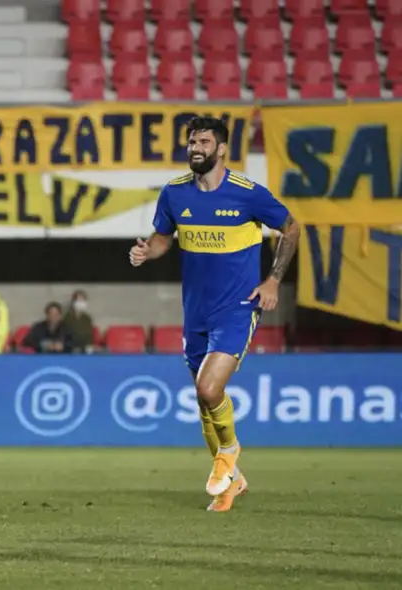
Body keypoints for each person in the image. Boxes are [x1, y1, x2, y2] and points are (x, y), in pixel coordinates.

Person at [129, 116, 300, 512]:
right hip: (196, 311)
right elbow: (162, 239)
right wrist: (147, 251)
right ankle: (231, 482)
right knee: (205, 401)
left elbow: (291, 229)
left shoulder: (247, 194)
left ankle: (229, 452)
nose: (196, 148)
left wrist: (273, 280)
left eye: (204, 142)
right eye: (192, 141)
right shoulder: (174, 193)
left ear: (222, 149)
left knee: (209, 389)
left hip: (237, 308)